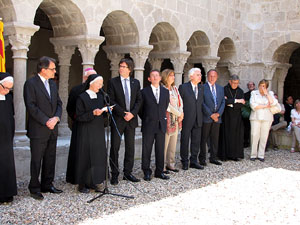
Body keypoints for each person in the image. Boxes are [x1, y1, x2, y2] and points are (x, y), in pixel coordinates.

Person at [23, 56, 62, 200]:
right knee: (36, 159)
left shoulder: (52, 84)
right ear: (43, 69)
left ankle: (47, 184)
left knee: (50, 157)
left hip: (53, 127)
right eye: (52, 69)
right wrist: (46, 120)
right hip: (39, 128)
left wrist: (56, 118)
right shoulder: (31, 84)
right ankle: (34, 187)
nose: (54, 71)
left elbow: (59, 103)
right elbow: (31, 106)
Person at [107, 58, 142, 185]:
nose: (121, 68)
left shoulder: (136, 83)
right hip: (118, 119)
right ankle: (115, 174)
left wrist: (132, 113)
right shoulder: (113, 82)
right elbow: (111, 100)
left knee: (130, 147)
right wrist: (123, 113)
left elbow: (139, 100)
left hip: (131, 120)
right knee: (114, 147)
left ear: (130, 69)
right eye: (120, 66)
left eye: (124, 67)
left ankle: (128, 173)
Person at [74, 74, 108, 193]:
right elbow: (79, 116)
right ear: (91, 83)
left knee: (97, 156)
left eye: (102, 83)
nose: (101, 86)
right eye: (99, 83)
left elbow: (101, 114)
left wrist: (105, 111)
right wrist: (92, 113)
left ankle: (95, 181)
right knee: (86, 157)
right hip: (86, 131)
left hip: (98, 130)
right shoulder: (82, 97)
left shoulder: (100, 96)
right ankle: (83, 184)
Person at [66, 68, 96, 184]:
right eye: (90, 77)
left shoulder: (99, 90)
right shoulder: (76, 90)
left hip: (94, 128)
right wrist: (77, 118)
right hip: (80, 126)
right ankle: (77, 177)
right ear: (84, 78)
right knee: (79, 152)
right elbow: (70, 108)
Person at [140, 69, 170, 181]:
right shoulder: (144, 92)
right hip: (148, 124)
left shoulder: (165, 92)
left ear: (160, 78)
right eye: (152, 76)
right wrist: (147, 118)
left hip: (161, 124)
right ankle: (146, 171)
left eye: (157, 75)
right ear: (149, 79)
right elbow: (141, 109)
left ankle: (159, 171)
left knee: (160, 149)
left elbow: (164, 106)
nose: (155, 77)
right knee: (146, 149)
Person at [178, 68, 204, 170]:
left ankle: (194, 160)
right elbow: (180, 103)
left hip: (198, 118)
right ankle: (184, 161)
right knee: (185, 140)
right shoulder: (183, 87)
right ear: (191, 76)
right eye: (198, 74)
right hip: (187, 118)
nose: (200, 76)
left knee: (196, 141)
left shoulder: (201, 88)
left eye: (200, 74)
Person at [199, 69, 225, 166]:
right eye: (210, 76)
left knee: (215, 138)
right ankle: (202, 158)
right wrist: (211, 114)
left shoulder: (220, 88)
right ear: (207, 76)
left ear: (217, 77)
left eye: (214, 76)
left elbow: (223, 102)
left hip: (217, 118)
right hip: (207, 117)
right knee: (204, 138)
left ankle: (213, 157)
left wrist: (218, 114)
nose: (212, 78)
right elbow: (201, 102)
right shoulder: (202, 87)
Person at [161, 69, 183, 173]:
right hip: (167, 118)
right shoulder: (163, 89)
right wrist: (179, 113)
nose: (173, 77)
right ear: (165, 77)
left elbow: (180, 102)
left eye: (174, 75)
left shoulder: (175, 89)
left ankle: (171, 163)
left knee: (173, 142)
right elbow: (167, 106)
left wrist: (181, 112)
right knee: (165, 143)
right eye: (171, 75)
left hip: (176, 119)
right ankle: (162, 165)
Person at [218, 75, 245, 161]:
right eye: (234, 83)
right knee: (225, 135)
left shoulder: (240, 91)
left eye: (237, 83)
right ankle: (224, 155)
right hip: (226, 116)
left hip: (237, 117)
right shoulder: (224, 90)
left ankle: (235, 155)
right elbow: (223, 101)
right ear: (230, 81)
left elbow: (242, 104)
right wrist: (236, 101)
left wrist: (230, 103)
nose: (235, 85)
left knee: (236, 136)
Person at [249, 79, 278, 161]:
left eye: (264, 86)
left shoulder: (270, 93)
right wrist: (265, 106)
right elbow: (253, 105)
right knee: (254, 135)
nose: (262, 87)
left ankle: (261, 154)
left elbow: (273, 103)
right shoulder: (254, 93)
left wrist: (267, 94)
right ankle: (253, 154)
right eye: (261, 85)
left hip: (267, 117)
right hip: (256, 117)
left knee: (264, 136)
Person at [0, 73, 17, 204]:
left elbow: (11, 115)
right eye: (5, 88)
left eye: (9, 89)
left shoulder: (8, 97)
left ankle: (8, 192)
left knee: (7, 164)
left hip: (6, 137)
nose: (7, 91)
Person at [243, 81, 255, 147]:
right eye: (249, 85)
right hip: (247, 114)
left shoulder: (257, 94)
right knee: (246, 129)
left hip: (255, 114)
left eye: (252, 84)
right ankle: (246, 142)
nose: (250, 86)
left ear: (254, 86)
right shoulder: (245, 95)